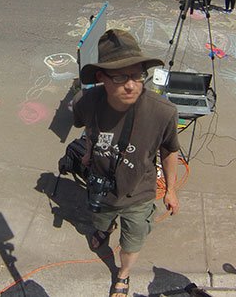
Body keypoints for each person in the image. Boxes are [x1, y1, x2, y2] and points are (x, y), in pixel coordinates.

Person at [73, 29, 180, 297]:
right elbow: (88, 128)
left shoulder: (162, 111)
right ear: (101, 77)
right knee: (100, 220)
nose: (131, 85)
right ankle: (105, 227)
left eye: (137, 75)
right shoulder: (86, 102)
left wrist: (170, 190)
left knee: (132, 242)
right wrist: (87, 153)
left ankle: (123, 274)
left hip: (138, 194)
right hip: (100, 186)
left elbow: (170, 150)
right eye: (120, 77)